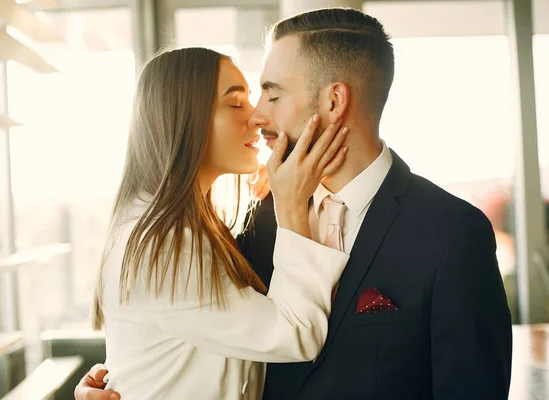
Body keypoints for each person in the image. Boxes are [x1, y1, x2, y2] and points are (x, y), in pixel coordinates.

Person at [76, 8, 513, 400]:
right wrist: (121, 379)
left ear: (334, 101)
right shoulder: (254, 224)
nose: (258, 115)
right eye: (243, 100)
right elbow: (180, 331)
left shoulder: (451, 233)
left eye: (272, 94)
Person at [87, 46, 353, 400]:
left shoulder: (181, 224)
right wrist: (292, 208)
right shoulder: (163, 243)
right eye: (235, 103)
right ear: (183, 117)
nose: (258, 116)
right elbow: (296, 335)